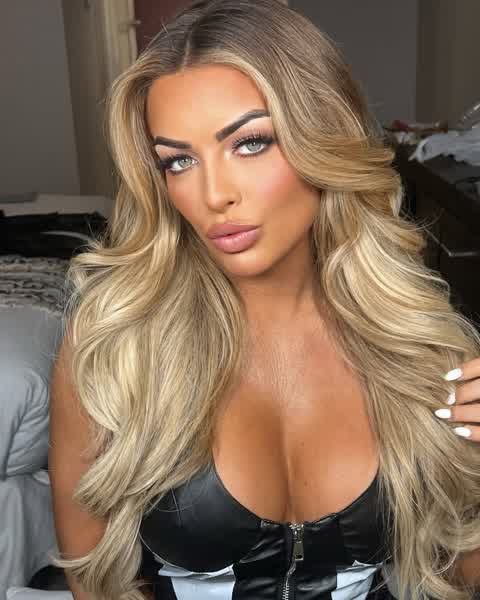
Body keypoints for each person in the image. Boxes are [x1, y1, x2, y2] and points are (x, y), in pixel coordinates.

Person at [48, 0, 480, 598]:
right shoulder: (114, 345)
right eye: (179, 160)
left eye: (250, 143)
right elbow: (93, 581)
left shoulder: (418, 343)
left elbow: (457, 572)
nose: (213, 194)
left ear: (323, 137)